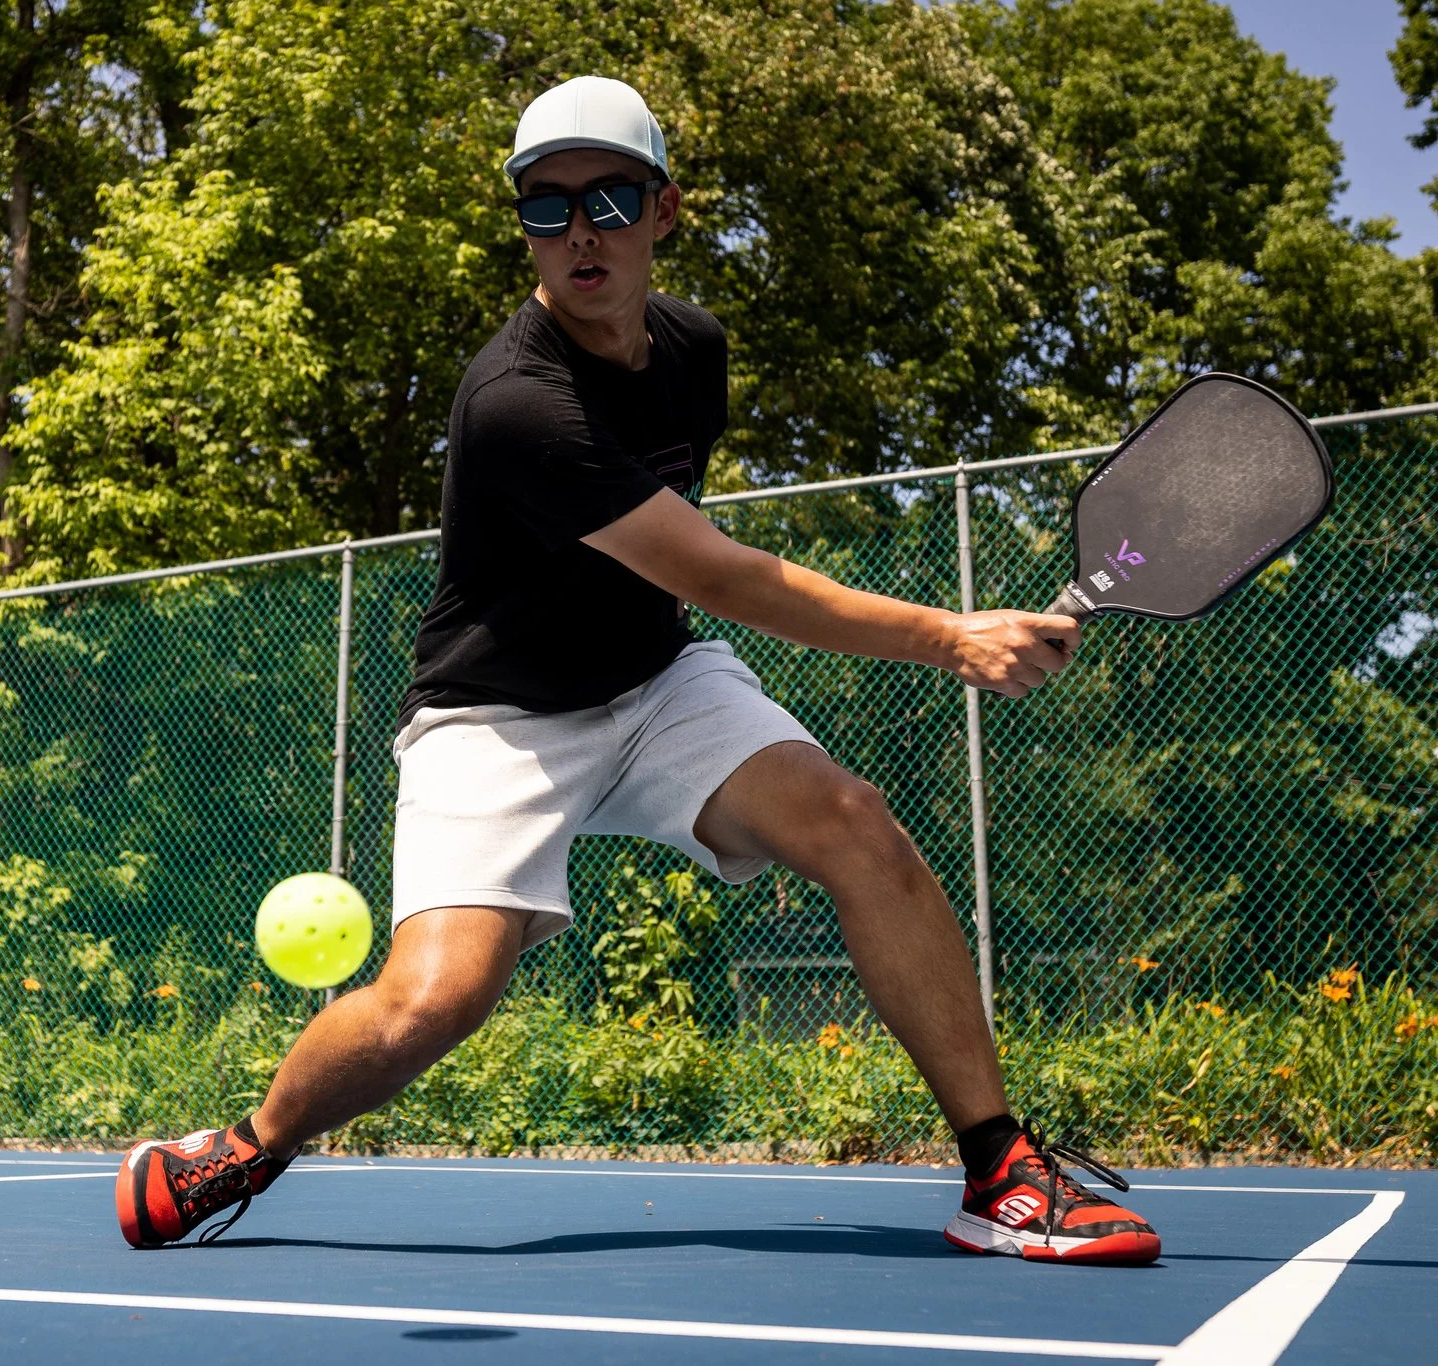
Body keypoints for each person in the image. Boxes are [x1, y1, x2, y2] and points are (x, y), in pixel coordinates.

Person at [113, 76, 1161, 1266]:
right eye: (543, 206)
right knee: (431, 1003)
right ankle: (242, 1145)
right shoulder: (515, 401)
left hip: (656, 681)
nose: (578, 231)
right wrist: (948, 632)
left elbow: (681, 576)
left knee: (853, 821)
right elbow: (728, 576)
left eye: (607, 196)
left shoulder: (692, 350)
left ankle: (1003, 1169)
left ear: (664, 209)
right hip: (494, 716)